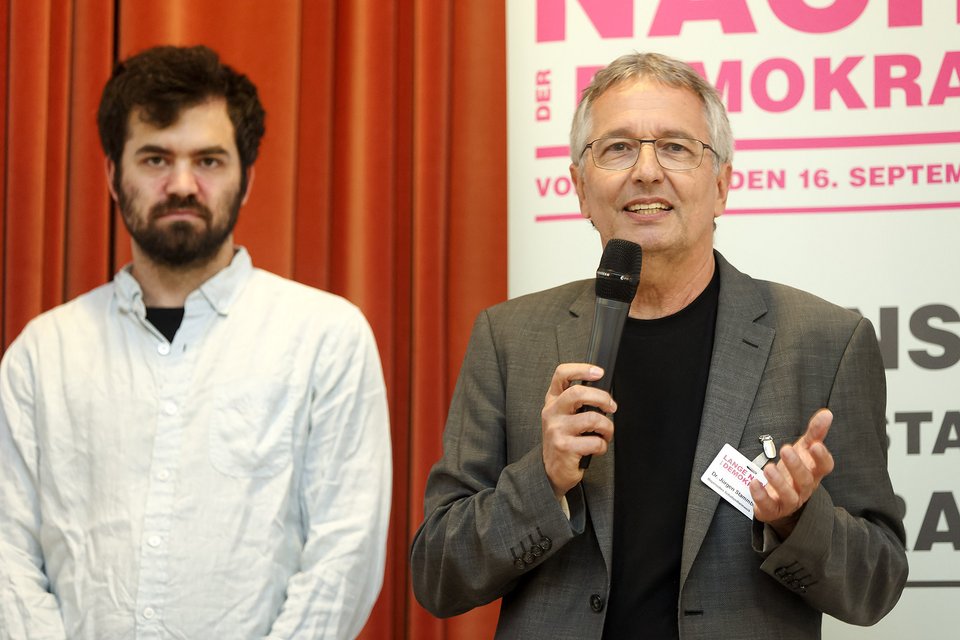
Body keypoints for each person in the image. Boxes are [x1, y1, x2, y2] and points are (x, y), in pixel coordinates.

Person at [410, 52, 908, 639]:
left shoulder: (824, 341)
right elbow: (438, 576)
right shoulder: (509, 337)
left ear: (721, 185)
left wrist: (798, 519)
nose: (646, 171)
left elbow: (875, 586)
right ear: (580, 187)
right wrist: (542, 480)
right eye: (618, 148)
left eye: (675, 147)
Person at [0, 45, 391, 639]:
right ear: (112, 176)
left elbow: (344, 556)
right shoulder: (41, 356)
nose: (181, 185)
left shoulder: (326, 339)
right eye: (155, 158)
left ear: (247, 178)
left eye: (208, 160)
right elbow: (8, 552)